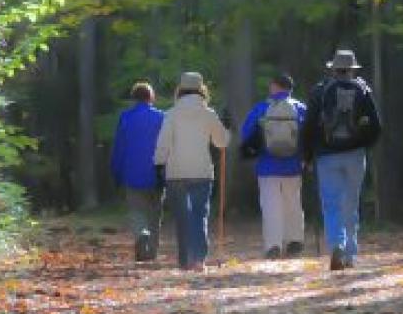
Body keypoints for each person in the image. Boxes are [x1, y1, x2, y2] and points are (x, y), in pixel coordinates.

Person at [303, 50, 382, 271]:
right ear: (352, 69)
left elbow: (308, 126)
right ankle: (350, 254)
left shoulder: (320, 91)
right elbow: (376, 125)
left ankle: (336, 244)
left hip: (327, 156)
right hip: (355, 155)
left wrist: (307, 155)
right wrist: (364, 143)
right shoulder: (363, 90)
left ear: (333, 69)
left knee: (331, 203)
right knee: (351, 203)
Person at [154, 72, 230, 271]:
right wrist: (227, 127)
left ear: (180, 89)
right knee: (199, 215)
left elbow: (163, 143)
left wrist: (159, 163)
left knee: (182, 217)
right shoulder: (209, 113)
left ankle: (185, 260)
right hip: (202, 171)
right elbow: (222, 142)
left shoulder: (171, 114)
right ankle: (198, 259)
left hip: (176, 172)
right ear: (201, 89)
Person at [240, 74, 308, 259]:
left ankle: (273, 245)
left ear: (274, 87)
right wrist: (306, 158)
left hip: (267, 165)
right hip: (293, 166)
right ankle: (295, 240)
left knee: (271, 206)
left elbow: (245, 134)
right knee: (293, 202)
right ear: (290, 88)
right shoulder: (300, 108)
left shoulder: (262, 108)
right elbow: (309, 136)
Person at [111, 81, 165, 262]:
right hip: (156, 173)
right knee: (155, 213)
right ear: (151, 97)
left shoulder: (126, 118)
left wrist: (117, 172)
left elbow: (119, 147)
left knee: (137, 210)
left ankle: (142, 234)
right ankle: (152, 251)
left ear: (134, 98)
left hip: (132, 173)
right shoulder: (161, 117)